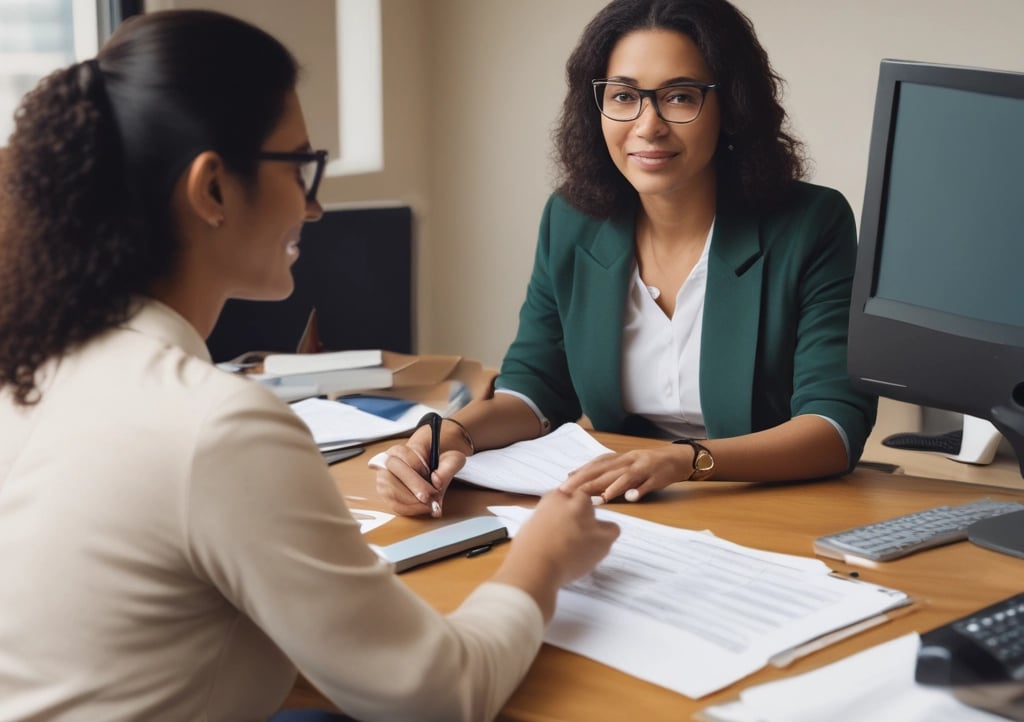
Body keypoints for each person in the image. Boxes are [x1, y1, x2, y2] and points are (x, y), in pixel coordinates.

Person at [0, 10, 618, 722]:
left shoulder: (40, 363)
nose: (317, 206)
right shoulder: (217, 426)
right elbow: (441, 698)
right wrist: (541, 559)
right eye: (300, 167)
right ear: (212, 190)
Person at [375, 0, 877, 517]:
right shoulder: (572, 220)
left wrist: (683, 461)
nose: (648, 125)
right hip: (629, 508)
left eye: (680, 97)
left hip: (770, 506)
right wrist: (449, 436)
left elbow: (833, 427)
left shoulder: (811, 223)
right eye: (624, 96)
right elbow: (537, 388)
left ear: (731, 106)